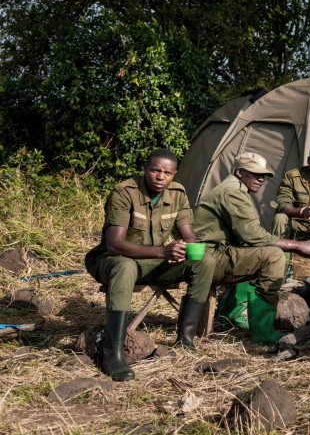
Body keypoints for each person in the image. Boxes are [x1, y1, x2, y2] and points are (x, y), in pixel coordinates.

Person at [85, 149, 214, 381]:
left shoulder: (178, 194)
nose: (160, 176)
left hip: (151, 261)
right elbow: (115, 245)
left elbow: (189, 235)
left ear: (173, 174)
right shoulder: (124, 192)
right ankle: (112, 352)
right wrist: (163, 251)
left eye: (167, 172)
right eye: (155, 170)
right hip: (112, 261)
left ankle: (185, 338)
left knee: (204, 261)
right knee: (125, 266)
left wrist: (184, 251)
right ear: (146, 169)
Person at [194, 152, 310, 345]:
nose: (261, 179)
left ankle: (230, 317)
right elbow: (252, 235)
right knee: (272, 256)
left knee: (256, 253)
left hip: (214, 253)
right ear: (239, 172)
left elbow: (247, 238)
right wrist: (296, 245)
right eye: (255, 174)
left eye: (264, 175)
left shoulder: (236, 189)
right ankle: (263, 330)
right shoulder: (233, 192)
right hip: (206, 258)